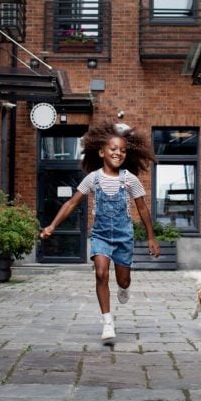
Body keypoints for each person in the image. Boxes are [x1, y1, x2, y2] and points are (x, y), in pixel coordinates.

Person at [40, 121, 161, 341]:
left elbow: (142, 208)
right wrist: (52, 225)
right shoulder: (93, 178)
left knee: (123, 281)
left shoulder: (130, 179)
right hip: (101, 235)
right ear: (101, 151)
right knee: (101, 273)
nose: (118, 153)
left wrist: (151, 237)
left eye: (122, 150)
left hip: (124, 236)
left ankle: (124, 288)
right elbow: (71, 203)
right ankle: (107, 321)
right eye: (113, 149)